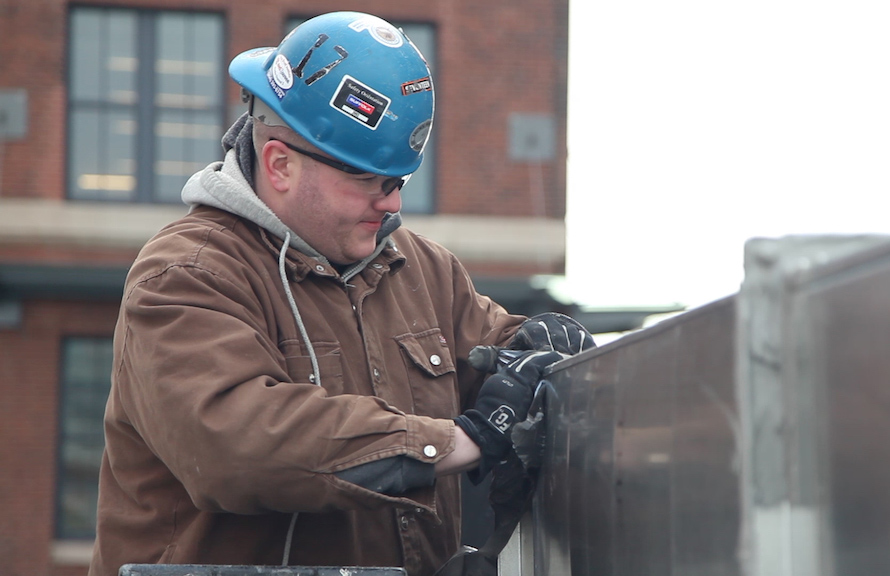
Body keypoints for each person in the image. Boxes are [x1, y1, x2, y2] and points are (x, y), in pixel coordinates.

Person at [87, 11, 594, 576]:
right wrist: (453, 441)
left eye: (398, 182)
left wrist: (535, 351)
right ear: (281, 165)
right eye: (370, 181)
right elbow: (232, 446)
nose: (393, 204)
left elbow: (493, 359)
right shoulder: (187, 273)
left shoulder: (423, 270)